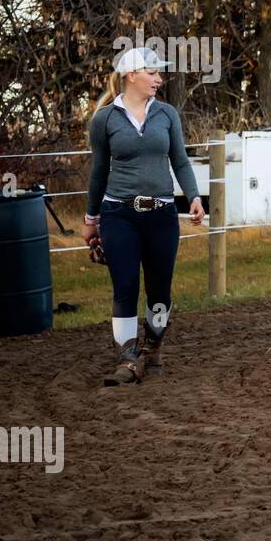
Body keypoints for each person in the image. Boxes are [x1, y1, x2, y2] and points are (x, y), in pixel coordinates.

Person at [83, 46, 205, 385]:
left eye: (159, 73)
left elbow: (180, 160)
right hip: (118, 214)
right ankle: (126, 359)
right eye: (152, 73)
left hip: (162, 215)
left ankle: (152, 348)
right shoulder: (104, 119)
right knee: (124, 286)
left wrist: (193, 196)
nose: (159, 79)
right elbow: (98, 172)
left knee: (160, 293)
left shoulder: (167, 114)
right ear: (131, 75)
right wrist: (90, 219)